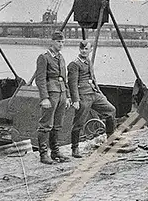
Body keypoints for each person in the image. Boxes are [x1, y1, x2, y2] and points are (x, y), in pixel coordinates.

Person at [67, 41, 116, 158]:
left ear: (90, 50)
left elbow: (93, 78)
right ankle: (75, 149)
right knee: (78, 123)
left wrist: (100, 93)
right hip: (83, 96)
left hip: (94, 94)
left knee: (111, 110)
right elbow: (72, 84)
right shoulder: (74, 64)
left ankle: (110, 140)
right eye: (82, 48)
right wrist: (75, 100)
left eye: (86, 49)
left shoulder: (88, 61)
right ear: (79, 49)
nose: (84, 51)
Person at [35, 31, 71, 164]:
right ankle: (44, 154)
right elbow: (40, 79)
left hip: (61, 94)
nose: (61, 44)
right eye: (58, 42)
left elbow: (64, 78)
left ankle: (55, 152)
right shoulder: (44, 58)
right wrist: (44, 97)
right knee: (46, 125)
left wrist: (67, 96)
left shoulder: (61, 57)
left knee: (57, 125)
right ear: (52, 42)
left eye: (62, 42)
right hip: (51, 95)